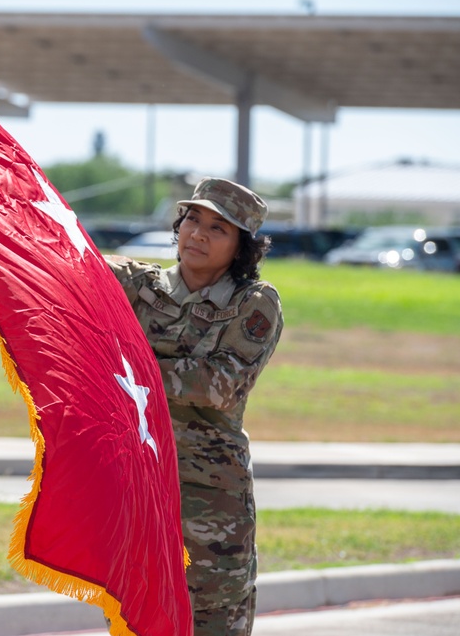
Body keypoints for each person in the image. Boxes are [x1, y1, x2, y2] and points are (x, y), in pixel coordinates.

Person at [105, 177, 283, 636]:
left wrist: (131, 374)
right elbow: (66, 265)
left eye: (218, 229)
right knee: (137, 616)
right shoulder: (140, 284)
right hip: (140, 485)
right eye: (192, 220)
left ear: (242, 247)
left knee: (209, 622)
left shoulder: (253, 303)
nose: (198, 234)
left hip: (209, 502)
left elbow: (219, 385)